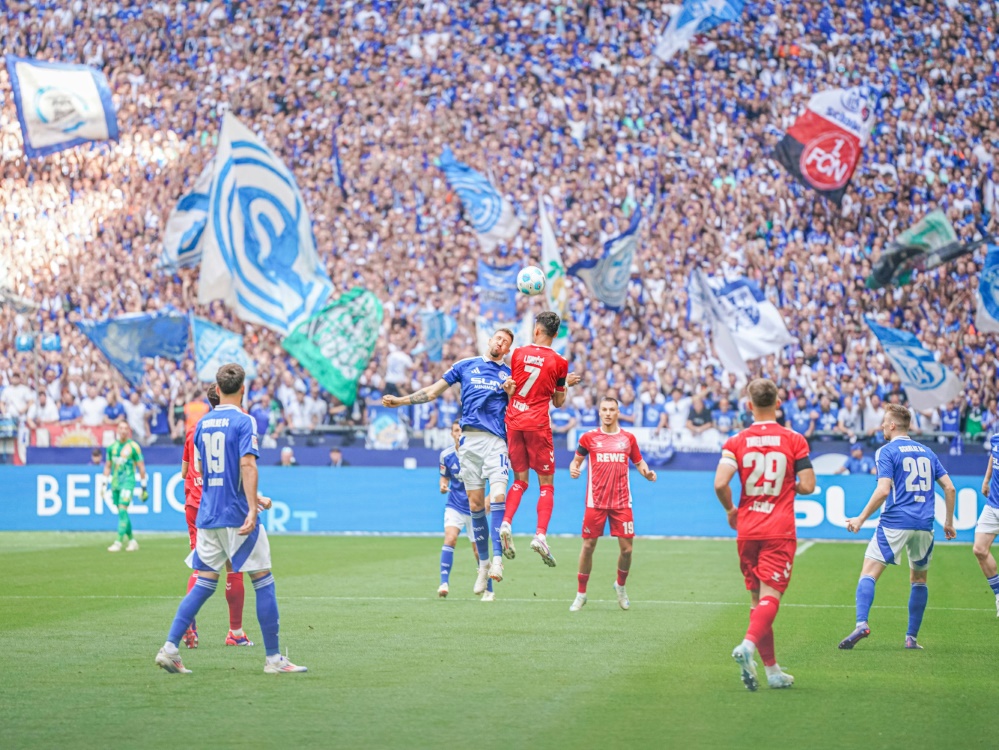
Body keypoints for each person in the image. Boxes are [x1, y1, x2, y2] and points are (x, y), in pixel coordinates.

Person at [155, 363, 306, 675]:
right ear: (243, 389)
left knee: (204, 583)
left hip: (208, 514)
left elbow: (208, 471)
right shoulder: (244, 420)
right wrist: (253, 507)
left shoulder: (202, 425)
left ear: (217, 387)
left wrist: (255, 495)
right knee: (263, 580)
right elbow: (246, 465)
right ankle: (274, 659)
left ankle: (170, 648)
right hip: (236, 515)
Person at [382, 329, 514, 595]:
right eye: (498, 338)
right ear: (489, 340)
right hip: (469, 442)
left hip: (496, 442)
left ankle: (498, 560)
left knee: (498, 496)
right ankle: (484, 566)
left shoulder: (509, 376)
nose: (501, 343)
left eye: (506, 342)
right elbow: (432, 392)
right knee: (476, 505)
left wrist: (511, 394)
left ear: (508, 349)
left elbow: (518, 411)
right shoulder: (466, 366)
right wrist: (400, 401)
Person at [713, 378, 814, 691]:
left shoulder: (736, 441)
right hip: (778, 529)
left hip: (747, 527)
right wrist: (789, 485)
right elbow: (808, 485)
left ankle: (772, 671)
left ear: (748, 405)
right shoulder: (794, 439)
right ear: (779, 404)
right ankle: (747, 646)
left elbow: (720, 483)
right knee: (771, 598)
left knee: (757, 600)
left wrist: (731, 509)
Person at [839, 404, 957, 651]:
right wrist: (948, 522)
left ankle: (861, 623)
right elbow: (950, 487)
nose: (882, 425)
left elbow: (883, 490)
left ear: (892, 425)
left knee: (869, 572)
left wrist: (860, 518)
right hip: (925, 524)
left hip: (895, 521)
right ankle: (911, 638)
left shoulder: (886, 451)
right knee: (919, 580)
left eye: (884, 422)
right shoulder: (927, 451)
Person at [499, 311, 581, 568]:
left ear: (536, 330)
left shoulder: (518, 354)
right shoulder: (560, 362)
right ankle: (540, 535)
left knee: (520, 481)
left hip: (513, 420)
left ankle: (505, 523)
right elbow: (557, 402)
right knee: (546, 485)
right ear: (556, 335)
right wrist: (565, 384)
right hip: (537, 424)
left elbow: (519, 382)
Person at [180, 384, 254, 649]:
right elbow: (242, 467)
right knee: (235, 567)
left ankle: (189, 622)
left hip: (196, 506)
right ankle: (235, 632)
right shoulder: (236, 425)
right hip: (223, 503)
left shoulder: (195, 430)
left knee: (201, 566)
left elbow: (184, 472)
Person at [567, 397, 656, 612]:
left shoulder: (628, 439)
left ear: (618, 412)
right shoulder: (588, 438)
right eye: (604, 409)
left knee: (627, 550)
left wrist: (647, 473)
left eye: (612, 409)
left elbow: (639, 461)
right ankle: (581, 594)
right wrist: (573, 468)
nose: (608, 413)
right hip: (595, 502)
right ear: (599, 412)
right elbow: (576, 460)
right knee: (588, 547)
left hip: (622, 501)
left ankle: (621, 586)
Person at [438, 422, 495, 601]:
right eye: (456, 430)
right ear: (451, 434)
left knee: (479, 551)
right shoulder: (446, 455)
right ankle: (444, 583)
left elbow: (495, 478)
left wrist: (488, 499)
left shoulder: (478, 454)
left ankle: (489, 590)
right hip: (454, 505)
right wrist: (442, 485)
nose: (459, 433)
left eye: (461, 430)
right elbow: (444, 477)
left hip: (475, 508)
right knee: (450, 538)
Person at [103, 421, 148, 552]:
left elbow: (141, 467)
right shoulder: (112, 447)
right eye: (121, 428)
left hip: (128, 482)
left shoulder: (134, 447)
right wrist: (104, 483)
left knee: (122, 510)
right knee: (122, 512)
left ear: (129, 431)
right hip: (116, 483)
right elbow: (107, 466)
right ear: (117, 430)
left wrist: (144, 487)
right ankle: (132, 540)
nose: (123, 431)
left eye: (125, 428)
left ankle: (118, 542)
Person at [975, 434, 999, 617]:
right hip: (992, 505)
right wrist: (986, 480)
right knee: (979, 549)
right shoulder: (996, 438)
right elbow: (993, 455)